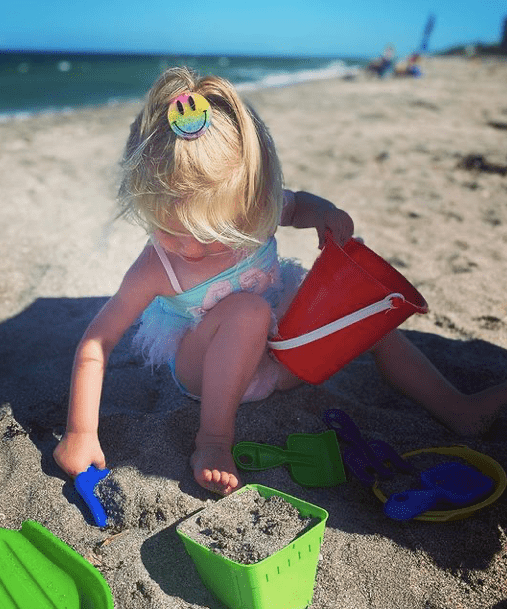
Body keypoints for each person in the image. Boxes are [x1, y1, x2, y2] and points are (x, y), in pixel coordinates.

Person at [53, 67, 507, 496]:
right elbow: (97, 341)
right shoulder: (158, 265)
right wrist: (80, 433)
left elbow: (301, 205)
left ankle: (456, 409)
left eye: (215, 234)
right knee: (248, 310)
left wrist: (325, 216)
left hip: (281, 360)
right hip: (206, 372)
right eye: (174, 231)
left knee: (363, 313)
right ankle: (213, 439)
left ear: (253, 200)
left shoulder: (260, 209)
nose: (195, 247)